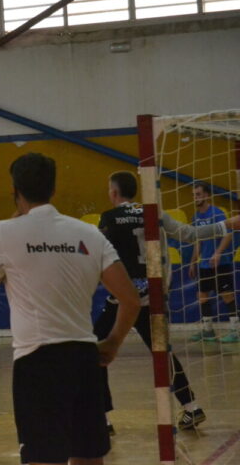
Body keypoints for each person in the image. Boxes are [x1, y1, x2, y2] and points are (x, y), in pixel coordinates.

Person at [0, 153, 140, 465]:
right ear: (53, 189)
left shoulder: (5, 232)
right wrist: (113, 343)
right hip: (84, 359)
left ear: (15, 190)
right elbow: (131, 300)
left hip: (37, 362)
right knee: (89, 458)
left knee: (42, 458)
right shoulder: (89, 233)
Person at [96, 171, 230, 433]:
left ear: (113, 193)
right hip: (152, 295)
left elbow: (100, 255)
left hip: (123, 298)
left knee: (95, 349)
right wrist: (229, 224)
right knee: (162, 351)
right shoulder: (152, 212)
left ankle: (103, 420)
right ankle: (192, 407)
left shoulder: (109, 218)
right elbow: (190, 235)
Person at [189, 181, 238, 343]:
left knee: (227, 296)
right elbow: (198, 241)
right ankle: (208, 330)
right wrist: (193, 262)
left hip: (220, 263)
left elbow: (229, 234)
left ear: (207, 195)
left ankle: (236, 331)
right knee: (202, 296)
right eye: (194, 195)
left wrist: (217, 253)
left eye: (198, 194)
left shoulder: (216, 213)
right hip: (204, 265)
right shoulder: (196, 217)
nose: (195, 198)